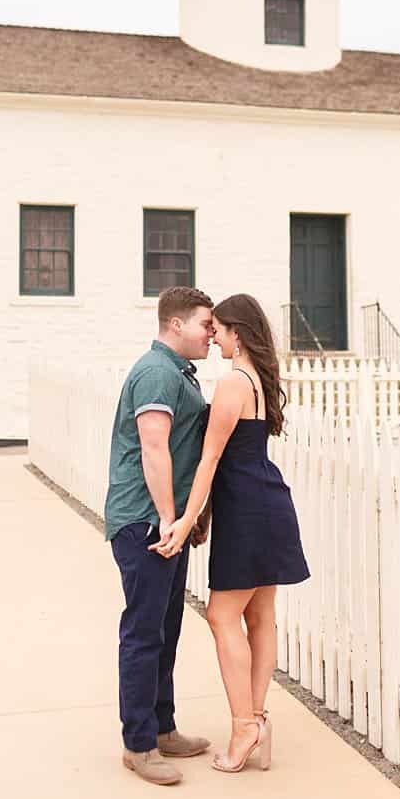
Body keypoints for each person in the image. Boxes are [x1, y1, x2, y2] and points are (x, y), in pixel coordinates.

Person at [150, 292, 310, 774]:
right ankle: (256, 719)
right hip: (268, 502)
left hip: (248, 513)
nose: (212, 334)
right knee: (260, 617)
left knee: (222, 617)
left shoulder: (232, 383)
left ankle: (244, 724)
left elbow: (210, 461)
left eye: (218, 327)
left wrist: (184, 520)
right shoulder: (259, 378)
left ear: (237, 333)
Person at [104, 285, 216, 786]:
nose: (211, 333)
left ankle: (163, 727)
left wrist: (192, 517)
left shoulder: (176, 373)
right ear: (176, 325)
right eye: (205, 324)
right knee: (144, 632)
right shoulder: (154, 372)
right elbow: (154, 447)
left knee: (166, 628)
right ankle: (139, 744)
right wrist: (172, 518)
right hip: (145, 522)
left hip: (165, 520)